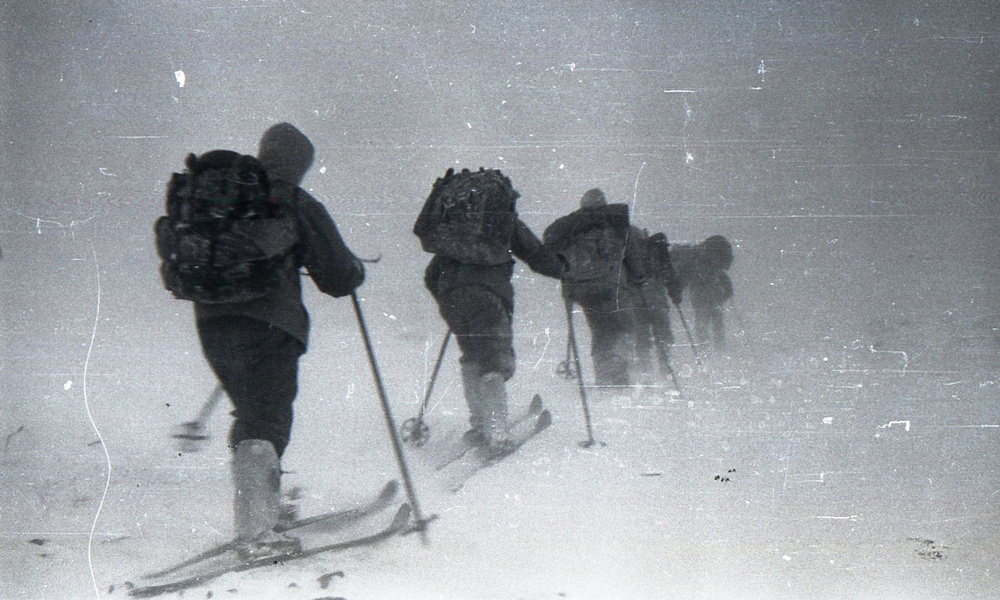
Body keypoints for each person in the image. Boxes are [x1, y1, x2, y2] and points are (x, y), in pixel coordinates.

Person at [192, 123, 365, 556]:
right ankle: (259, 533)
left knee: (251, 414)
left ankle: (259, 513)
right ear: (300, 163)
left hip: (212, 322)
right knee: (266, 419)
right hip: (272, 324)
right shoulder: (293, 199)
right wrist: (355, 271)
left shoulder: (225, 193)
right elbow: (339, 275)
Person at [415, 168, 562, 454]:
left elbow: (431, 276)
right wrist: (564, 270)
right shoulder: (501, 221)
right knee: (493, 361)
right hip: (489, 298)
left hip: (452, 299)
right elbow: (534, 253)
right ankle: (497, 432)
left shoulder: (452, 231)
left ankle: (480, 425)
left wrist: (450, 297)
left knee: (471, 358)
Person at [544, 188, 647, 387]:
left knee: (600, 332)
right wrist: (639, 278)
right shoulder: (615, 225)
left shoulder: (571, 227)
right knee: (623, 328)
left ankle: (604, 378)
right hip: (612, 287)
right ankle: (619, 375)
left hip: (582, 291)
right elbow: (632, 256)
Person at [631, 231, 682, 384]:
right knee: (662, 333)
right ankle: (665, 367)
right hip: (656, 296)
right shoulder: (658, 251)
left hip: (636, 297)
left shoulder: (628, 253)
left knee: (641, 335)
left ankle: (644, 369)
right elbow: (670, 275)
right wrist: (675, 295)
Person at [671, 234, 734, 350]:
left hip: (699, 295)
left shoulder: (696, 261)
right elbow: (723, 278)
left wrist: (677, 291)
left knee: (702, 322)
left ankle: (705, 349)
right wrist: (726, 294)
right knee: (716, 322)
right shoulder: (713, 265)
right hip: (714, 294)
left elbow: (685, 278)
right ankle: (719, 349)